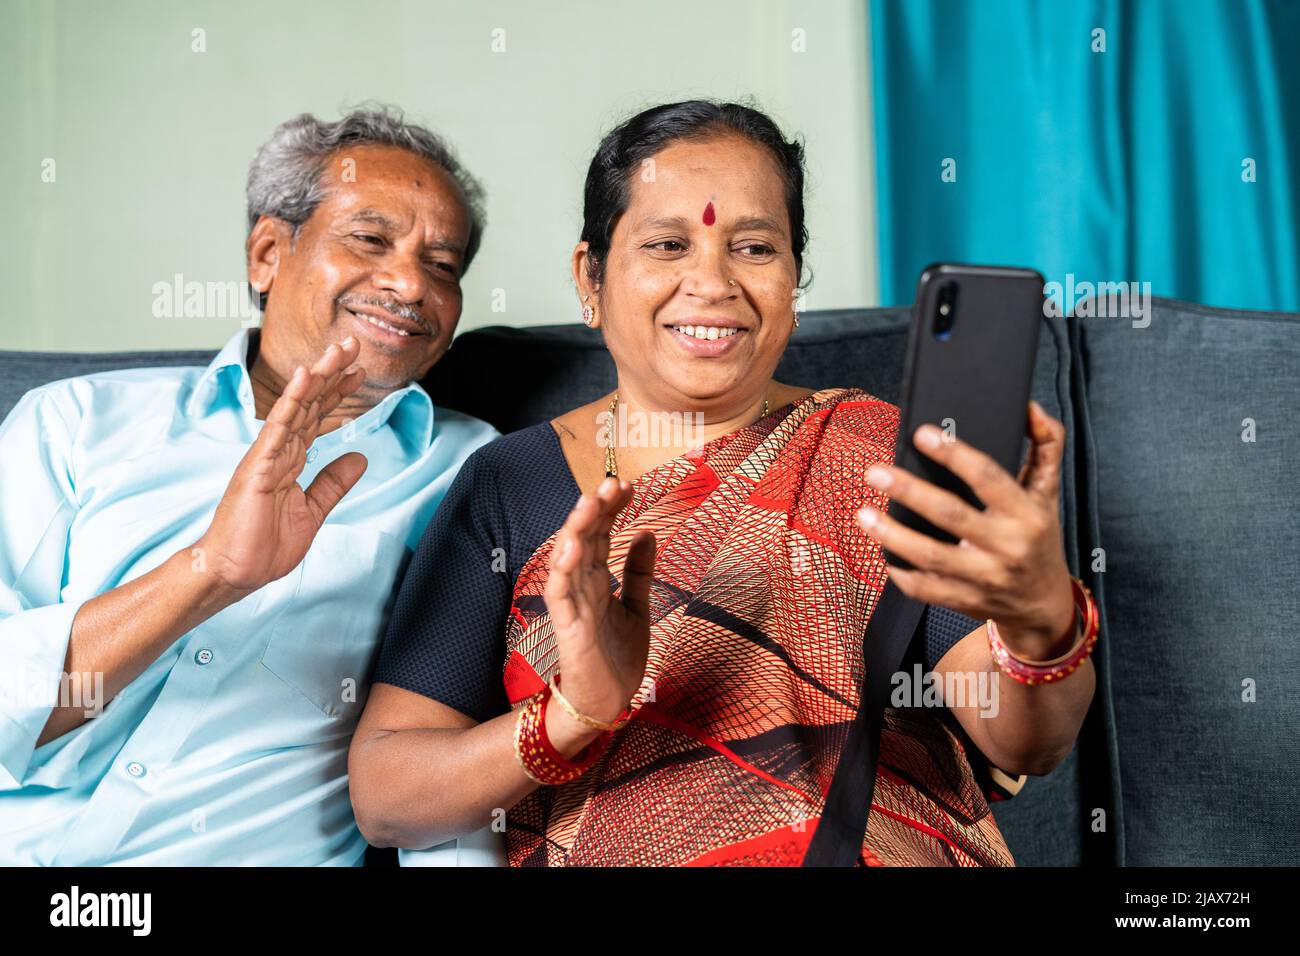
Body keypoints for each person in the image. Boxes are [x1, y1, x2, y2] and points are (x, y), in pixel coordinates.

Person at [349, 100, 1097, 866]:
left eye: (754, 248)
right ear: (591, 275)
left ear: (794, 280)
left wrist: (1040, 623)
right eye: (668, 244)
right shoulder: (509, 486)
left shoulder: (879, 454)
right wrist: (570, 715)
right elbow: (386, 797)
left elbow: (1025, 740)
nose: (712, 282)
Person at [0, 107, 499, 865]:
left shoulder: (472, 470)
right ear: (268, 252)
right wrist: (207, 573)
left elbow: (446, 758)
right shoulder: (72, 422)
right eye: (371, 239)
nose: (410, 284)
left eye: (444, 265)